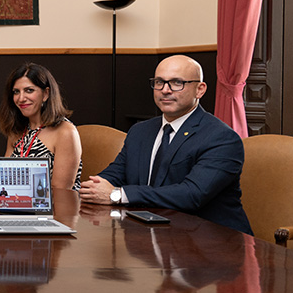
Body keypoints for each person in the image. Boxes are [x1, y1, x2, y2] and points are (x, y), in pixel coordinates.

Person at [79, 55, 252, 234]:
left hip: (214, 244)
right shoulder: (140, 131)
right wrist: (95, 188)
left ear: (200, 90)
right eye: (159, 82)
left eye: (177, 83)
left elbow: (191, 195)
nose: (165, 90)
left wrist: (118, 195)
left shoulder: (221, 138)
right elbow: (115, 174)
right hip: (151, 236)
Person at [0, 62, 83, 190]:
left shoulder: (65, 131)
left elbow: (60, 189)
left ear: (46, 94)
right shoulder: (17, 130)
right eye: (16, 92)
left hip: (57, 207)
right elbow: (6, 179)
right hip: (19, 205)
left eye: (29, 90)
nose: (21, 98)